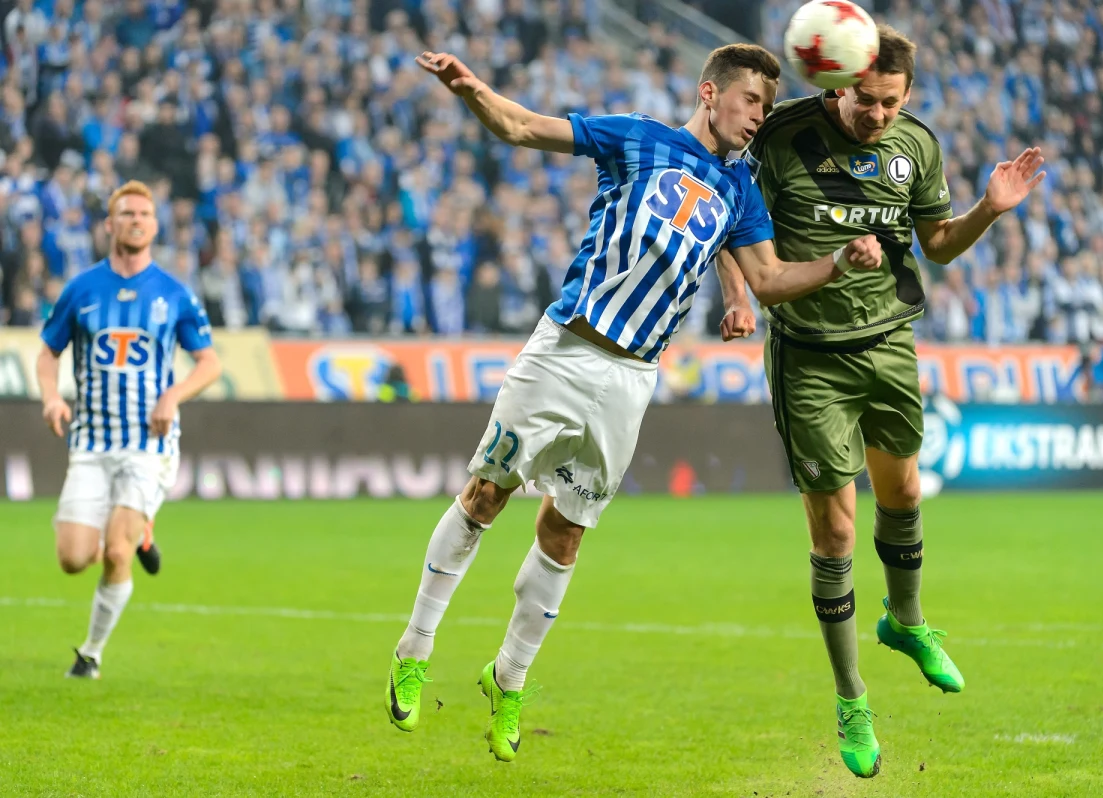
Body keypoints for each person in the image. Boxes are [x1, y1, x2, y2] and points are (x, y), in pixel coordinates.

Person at [385, 45, 883, 762]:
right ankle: (415, 645)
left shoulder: (741, 191)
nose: (759, 119)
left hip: (631, 380)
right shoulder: (639, 138)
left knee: (566, 533)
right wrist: (470, 89)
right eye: (752, 103)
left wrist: (836, 263)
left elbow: (770, 278)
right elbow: (525, 127)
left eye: (769, 109)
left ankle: (508, 679)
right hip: (564, 349)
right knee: (485, 495)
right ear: (711, 93)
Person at [719, 25, 1045, 778]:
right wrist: (737, 295)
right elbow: (729, 220)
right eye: (866, 100)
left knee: (902, 494)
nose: (877, 115)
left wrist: (990, 209)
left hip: (891, 343)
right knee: (835, 532)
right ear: (839, 84)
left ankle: (906, 620)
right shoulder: (781, 136)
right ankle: (851, 697)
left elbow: (936, 244)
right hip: (809, 355)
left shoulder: (917, 147)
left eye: (890, 103)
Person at [37, 180, 223, 679]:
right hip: (91, 444)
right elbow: (47, 352)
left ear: (155, 226)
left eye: (144, 213)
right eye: (126, 214)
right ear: (109, 225)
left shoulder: (174, 294)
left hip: (149, 444)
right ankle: (138, 534)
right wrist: (52, 397)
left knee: (114, 550)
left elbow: (209, 363)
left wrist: (173, 394)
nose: (135, 220)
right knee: (74, 558)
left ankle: (90, 654)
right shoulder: (81, 289)